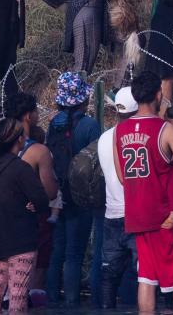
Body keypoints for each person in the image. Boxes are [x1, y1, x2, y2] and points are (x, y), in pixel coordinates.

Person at [116, 70, 173, 313]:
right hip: (168, 214)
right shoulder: (165, 129)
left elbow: (123, 176)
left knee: (146, 277)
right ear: (158, 94)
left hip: (139, 214)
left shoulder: (120, 132)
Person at [46, 71, 103, 305]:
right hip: (82, 195)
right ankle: (71, 303)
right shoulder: (90, 126)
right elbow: (98, 162)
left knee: (57, 251)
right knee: (74, 253)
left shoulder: (53, 124)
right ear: (82, 99)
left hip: (57, 194)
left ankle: (51, 301)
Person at [0, 118, 50, 313]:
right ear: (19, 140)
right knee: (17, 298)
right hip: (21, 241)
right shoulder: (21, 169)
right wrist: (31, 206)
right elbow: (42, 200)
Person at [2, 93, 60, 305]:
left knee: (5, 271)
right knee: (35, 270)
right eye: (35, 111)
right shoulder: (38, 151)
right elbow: (50, 192)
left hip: (1, 217)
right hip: (32, 219)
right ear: (28, 116)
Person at [98, 87, 140, 309]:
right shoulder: (139, 137)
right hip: (136, 213)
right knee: (140, 273)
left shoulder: (104, 137)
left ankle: (106, 308)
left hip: (111, 212)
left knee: (109, 273)